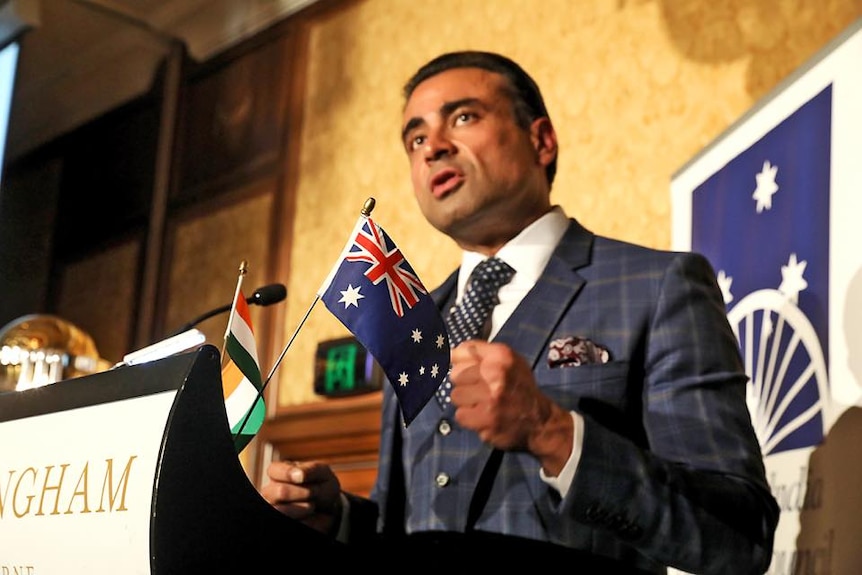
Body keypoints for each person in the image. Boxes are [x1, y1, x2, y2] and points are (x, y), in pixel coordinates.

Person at [260, 50, 780, 574]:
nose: (433, 148)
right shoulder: (412, 320)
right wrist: (340, 519)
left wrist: (549, 430)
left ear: (541, 139)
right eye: (415, 138)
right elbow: (409, 532)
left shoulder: (658, 287)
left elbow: (739, 538)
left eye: (463, 118)